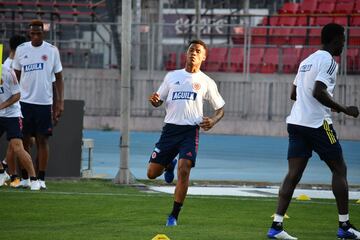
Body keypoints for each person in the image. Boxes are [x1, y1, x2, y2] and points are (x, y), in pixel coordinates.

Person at [267, 23, 360, 240]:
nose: (344, 45)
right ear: (336, 39)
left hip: (297, 123)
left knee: (293, 174)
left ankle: (276, 226)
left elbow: (294, 94)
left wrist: (308, 102)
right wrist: (345, 109)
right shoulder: (329, 61)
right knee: (339, 169)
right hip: (318, 124)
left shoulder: (306, 61)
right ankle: (344, 226)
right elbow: (319, 91)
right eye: (343, 40)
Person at [147, 39, 225, 227]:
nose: (193, 53)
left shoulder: (206, 82)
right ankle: (168, 164)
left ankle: (173, 215)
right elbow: (159, 100)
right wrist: (155, 101)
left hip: (190, 131)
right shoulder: (172, 76)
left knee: (184, 169)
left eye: (198, 51)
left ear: (203, 57)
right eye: (191, 50)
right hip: (170, 130)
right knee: (151, 174)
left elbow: (220, 108)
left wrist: (213, 120)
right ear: (186, 54)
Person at [13, 19, 64, 189]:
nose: (35, 36)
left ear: (43, 33)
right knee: (24, 141)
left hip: (44, 103)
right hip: (24, 102)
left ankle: (41, 179)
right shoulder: (21, 50)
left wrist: (60, 103)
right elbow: (15, 77)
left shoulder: (51, 50)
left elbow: (59, 78)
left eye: (39, 33)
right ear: (29, 33)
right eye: (33, 33)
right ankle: (26, 178)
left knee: (43, 141)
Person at [0, 65, 40, 190]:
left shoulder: (7, 72)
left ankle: (33, 179)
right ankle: (2, 172)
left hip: (13, 115)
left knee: (18, 148)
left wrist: (2, 106)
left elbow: (17, 95)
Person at [1, 35, 28, 187]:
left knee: (19, 143)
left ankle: (8, 171)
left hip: (19, 104)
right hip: (12, 108)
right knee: (15, 144)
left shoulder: (14, 63)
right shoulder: (9, 66)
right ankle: (11, 174)